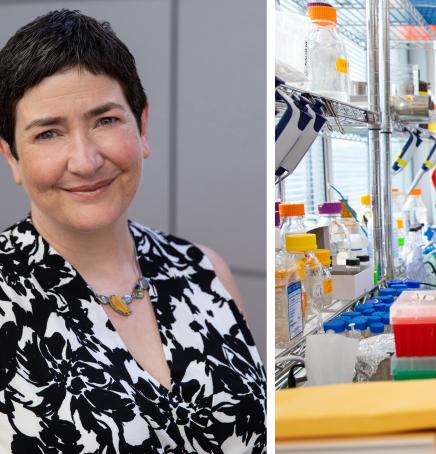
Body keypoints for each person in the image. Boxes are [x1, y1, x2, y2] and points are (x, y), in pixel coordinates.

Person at [0, 10, 266, 452]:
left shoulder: (204, 271)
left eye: (105, 121)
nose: (85, 160)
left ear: (141, 126)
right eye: (48, 133)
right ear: (12, 157)